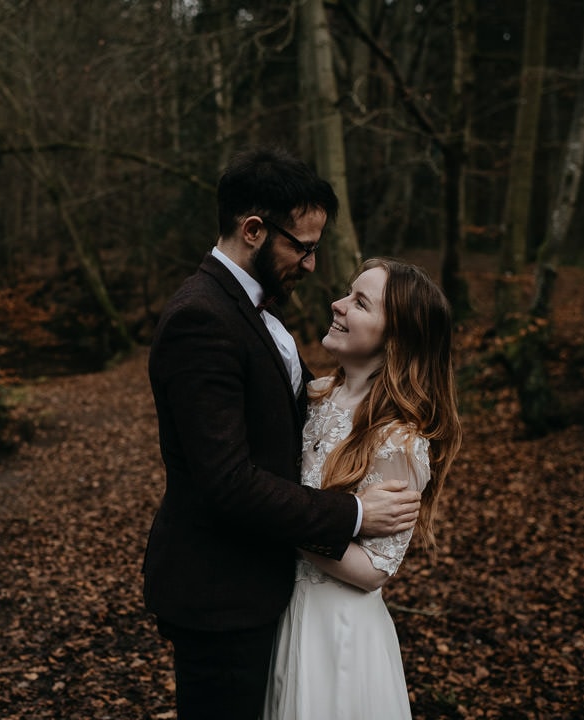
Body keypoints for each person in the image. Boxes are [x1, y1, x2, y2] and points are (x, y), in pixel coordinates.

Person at [143, 147, 423, 720]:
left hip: (271, 595)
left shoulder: (255, 315)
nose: (314, 266)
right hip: (220, 595)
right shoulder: (202, 319)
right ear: (253, 230)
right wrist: (352, 514)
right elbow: (228, 482)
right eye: (304, 247)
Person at [262, 257, 463, 719]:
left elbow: (374, 569)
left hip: (337, 634)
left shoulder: (400, 440)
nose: (337, 304)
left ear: (397, 338)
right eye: (347, 293)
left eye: (359, 302)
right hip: (275, 611)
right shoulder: (312, 397)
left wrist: (274, 518)